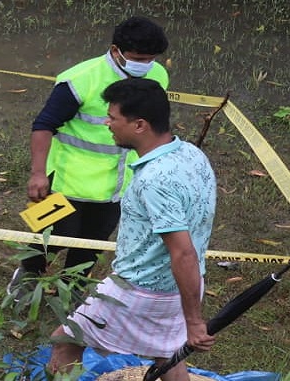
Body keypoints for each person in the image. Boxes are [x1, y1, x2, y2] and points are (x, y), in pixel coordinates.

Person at [48, 78, 216, 381]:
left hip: (138, 290)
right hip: (179, 289)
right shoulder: (192, 155)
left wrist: (195, 323)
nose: (106, 123)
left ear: (139, 125)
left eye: (113, 118)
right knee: (168, 355)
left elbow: (182, 252)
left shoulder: (155, 179)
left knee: (65, 340)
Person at [9, 16, 170, 302]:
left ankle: (71, 293)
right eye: (138, 58)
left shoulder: (158, 76)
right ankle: (26, 280)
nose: (146, 65)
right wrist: (36, 173)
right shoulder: (79, 79)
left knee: (92, 245)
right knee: (46, 238)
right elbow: (44, 125)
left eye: (151, 59)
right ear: (115, 50)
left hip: (116, 186)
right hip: (64, 182)